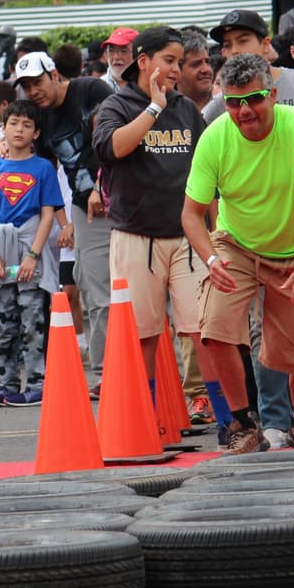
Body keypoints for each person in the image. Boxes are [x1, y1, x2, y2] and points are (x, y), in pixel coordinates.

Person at [182, 54, 294, 454]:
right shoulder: (215, 135)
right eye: (234, 102)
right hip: (237, 245)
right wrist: (210, 258)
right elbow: (190, 214)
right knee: (214, 328)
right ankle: (241, 424)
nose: (244, 111)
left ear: (272, 95)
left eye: (253, 99)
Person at [91, 26, 229, 428]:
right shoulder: (118, 105)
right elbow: (114, 148)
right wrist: (152, 108)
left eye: (178, 61)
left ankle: (228, 421)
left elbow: (209, 177)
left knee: (204, 331)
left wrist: (216, 230)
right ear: (143, 60)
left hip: (188, 239)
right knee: (144, 335)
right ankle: (148, 423)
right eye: (169, 61)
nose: (175, 69)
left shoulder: (187, 110)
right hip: (136, 236)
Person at [15, 51, 114, 392]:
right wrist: (64, 221)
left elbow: (111, 142)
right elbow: (45, 176)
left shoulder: (91, 90)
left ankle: (160, 368)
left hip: (126, 199)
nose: (34, 91)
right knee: (94, 289)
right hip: (85, 209)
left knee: (145, 289)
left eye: (37, 82)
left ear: (54, 74)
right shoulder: (42, 120)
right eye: (26, 87)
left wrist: (100, 185)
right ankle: (105, 374)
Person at [0, 100, 64, 406]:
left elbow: (48, 215)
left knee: (33, 319)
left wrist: (33, 255)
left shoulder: (43, 168)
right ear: (3, 128)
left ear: (36, 132)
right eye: (13, 123)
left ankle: (38, 383)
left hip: (29, 249)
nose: (19, 130)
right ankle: (6, 383)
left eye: (26, 125)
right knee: (4, 321)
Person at [100, 27, 138, 93]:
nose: (116, 57)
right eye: (111, 51)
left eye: (123, 51)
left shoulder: (146, 86)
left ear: (137, 55)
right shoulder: (99, 86)